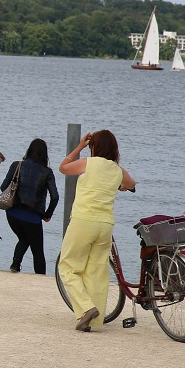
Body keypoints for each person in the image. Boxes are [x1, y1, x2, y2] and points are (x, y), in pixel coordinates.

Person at [57, 130, 136, 332]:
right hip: (105, 225)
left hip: (84, 221)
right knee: (97, 272)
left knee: (67, 267)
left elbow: (63, 168)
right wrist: (120, 187)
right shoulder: (117, 170)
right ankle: (92, 321)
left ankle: (86, 308)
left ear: (94, 147)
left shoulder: (88, 163)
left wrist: (79, 147)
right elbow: (131, 184)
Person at [0, 139, 59, 275]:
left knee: (24, 238)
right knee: (37, 251)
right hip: (32, 218)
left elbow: (3, 187)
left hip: (12, 214)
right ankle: (41, 279)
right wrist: (47, 215)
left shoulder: (17, 165)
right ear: (45, 154)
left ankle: (15, 265)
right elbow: (55, 197)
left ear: (29, 150)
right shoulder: (47, 172)